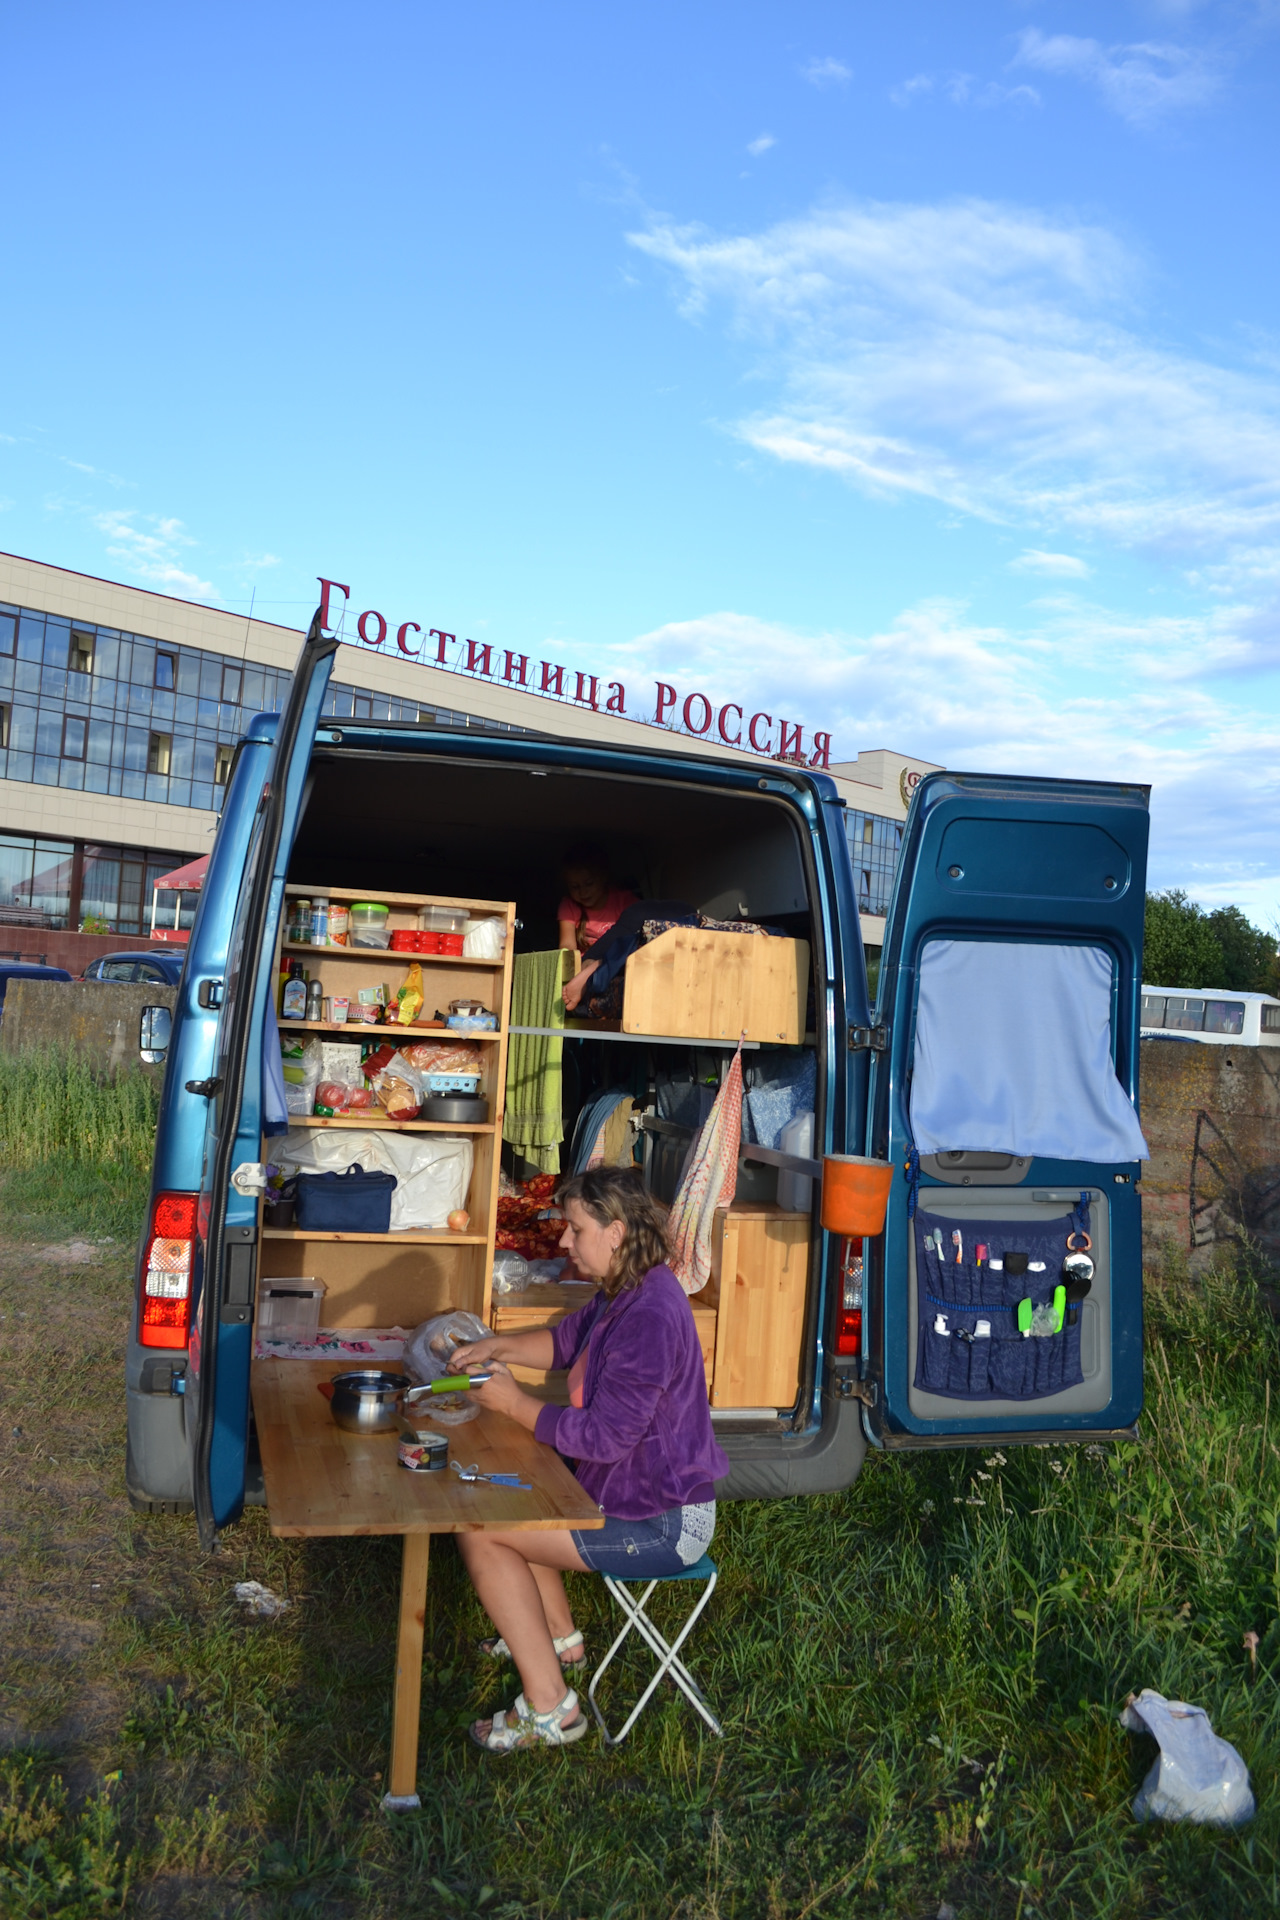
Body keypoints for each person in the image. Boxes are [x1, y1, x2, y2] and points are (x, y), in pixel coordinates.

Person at [450, 1166, 728, 1753]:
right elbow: (563, 1343)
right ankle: (557, 1638)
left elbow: (604, 1440)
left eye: (574, 1229)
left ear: (617, 1232)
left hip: (665, 1522)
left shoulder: (649, 1315)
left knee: (482, 1531)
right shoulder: (625, 1291)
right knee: (519, 1492)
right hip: (630, 1497)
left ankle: (551, 1709)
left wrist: (515, 1402)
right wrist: (495, 1345)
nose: (563, 1242)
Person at [557, 846, 637, 1013]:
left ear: (603, 878)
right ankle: (585, 980)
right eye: (575, 886)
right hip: (583, 968)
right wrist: (574, 973)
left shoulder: (624, 901)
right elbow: (567, 947)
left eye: (589, 884)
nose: (583, 892)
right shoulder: (569, 906)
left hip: (616, 964)